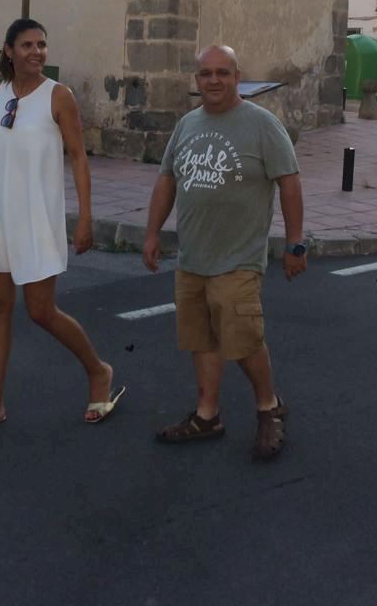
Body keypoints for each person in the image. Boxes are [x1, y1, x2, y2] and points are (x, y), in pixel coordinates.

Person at [0, 18, 125, 435]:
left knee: (40, 310)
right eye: (27, 45)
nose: (37, 52)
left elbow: (78, 157)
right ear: (8, 51)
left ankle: (98, 370)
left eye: (41, 44)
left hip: (36, 215)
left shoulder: (58, 96)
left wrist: (85, 217)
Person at [142, 44, 306, 460]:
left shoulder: (262, 125)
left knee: (244, 340)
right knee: (202, 338)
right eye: (206, 73)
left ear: (237, 77)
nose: (213, 80)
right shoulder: (187, 124)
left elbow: (289, 182)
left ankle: (269, 407)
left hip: (239, 258)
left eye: (222, 72)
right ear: (197, 80)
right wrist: (152, 233)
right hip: (193, 257)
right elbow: (167, 179)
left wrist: (295, 243)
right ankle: (207, 415)